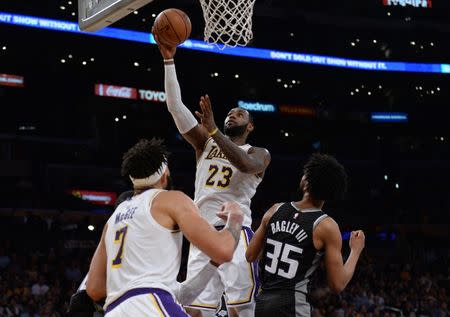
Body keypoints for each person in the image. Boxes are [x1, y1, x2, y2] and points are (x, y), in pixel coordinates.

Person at [152, 30, 271, 317]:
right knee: (195, 310)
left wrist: (215, 130)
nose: (233, 114)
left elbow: (244, 165)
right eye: (230, 112)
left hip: (235, 232)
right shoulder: (205, 141)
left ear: (250, 126)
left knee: (241, 308)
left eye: (240, 113)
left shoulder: (259, 152)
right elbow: (175, 108)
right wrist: (169, 61)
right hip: (201, 231)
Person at [85, 138, 244, 317]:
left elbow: (94, 288)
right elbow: (224, 250)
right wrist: (236, 219)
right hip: (149, 304)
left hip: (115, 310)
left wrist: (213, 263)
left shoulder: (114, 218)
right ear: (164, 173)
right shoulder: (170, 199)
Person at [246, 154, 365, 317]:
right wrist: (356, 250)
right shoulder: (326, 226)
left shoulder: (275, 210)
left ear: (305, 182)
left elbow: (250, 255)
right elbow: (337, 284)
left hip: (262, 303)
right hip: (292, 305)